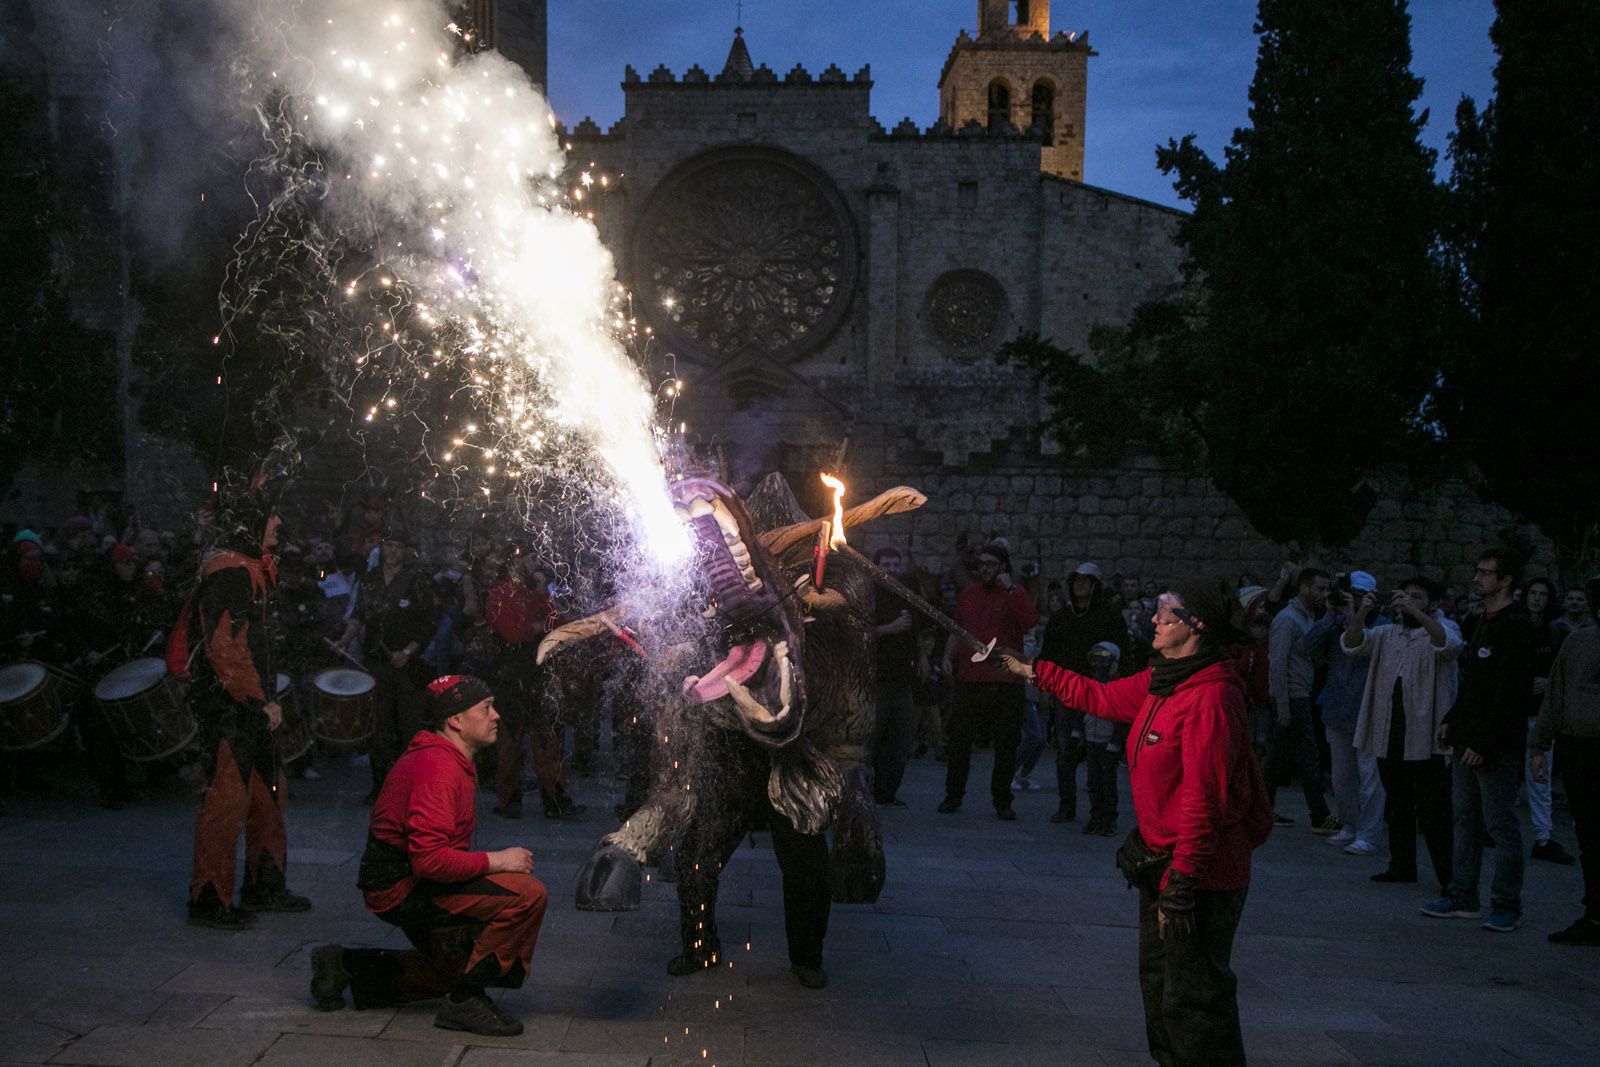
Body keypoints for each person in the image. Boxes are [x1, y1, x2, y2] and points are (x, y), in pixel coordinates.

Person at [997, 578, 1272, 1067]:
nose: (1154, 619)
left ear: (1196, 624)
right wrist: (1032, 669)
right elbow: (1101, 697)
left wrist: (1182, 885)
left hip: (1201, 876)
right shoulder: (1162, 680)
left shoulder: (1211, 698)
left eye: (1167, 611)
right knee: (1162, 994)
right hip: (1162, 866)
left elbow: (1204, 803)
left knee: (1195, 1002)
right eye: (1157, 608)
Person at [310, 675, 548, 1035]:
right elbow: (430, 860)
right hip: (401, 886)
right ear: (455, 720)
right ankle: (465, 1002)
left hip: (408, 878)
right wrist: (498, 860)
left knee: (454, 970)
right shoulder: (438, 767)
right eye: (485, 708)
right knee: (527, 895)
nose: (496, 715)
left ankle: (342, 966)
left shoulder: (446, 757)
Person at [186, 491, 312, 929]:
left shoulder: (248, 567)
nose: (277, 522)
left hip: (253, 707)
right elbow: (225, 646)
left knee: (268, 796)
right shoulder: (228, 571)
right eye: (270, 515)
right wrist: (258, 702)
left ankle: (264, 886)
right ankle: (208, 900)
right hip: (231, 710)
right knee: (226, 804)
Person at [1431, 548, 1537, 932]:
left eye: (1485, 572)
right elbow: (1473, 683)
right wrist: (1452, 720)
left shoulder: (1517, 626)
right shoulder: (1481, 621)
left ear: (1505, 580)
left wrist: (1484, 742)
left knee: (1499, 825)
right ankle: (1464, 895)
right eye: (1477, 571)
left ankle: (1506, 903)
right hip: (1467, 740)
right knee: (1465, 819)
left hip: (1495, 747)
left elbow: (1510, 693)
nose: (1476, 578)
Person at [1345, 576, 1462, 892]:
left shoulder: (1444, 628)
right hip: (1390, 732)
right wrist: (1361, 612)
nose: (1408, 601)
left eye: (1418, 597)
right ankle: (1402, 865)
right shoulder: (1387, 633)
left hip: (1427, 737)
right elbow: (1353, 644)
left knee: (1434, 810)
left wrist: (1417, 612)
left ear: (1433, 603)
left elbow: (1449, 645)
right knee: (1397, 803)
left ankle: (1449, 879)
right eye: (1406, 595)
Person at [336, 526, 440, 802]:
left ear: (405, 551)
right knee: (378, 727)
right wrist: (345, 640)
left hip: (407, 666)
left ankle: (412, 789)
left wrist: (408, 651)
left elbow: (428, 623)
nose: (391, 551)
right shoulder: (370, 579)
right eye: (387, 545)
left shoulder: (416, 580)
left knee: (409, 728)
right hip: (377, 662)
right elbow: (359, 615)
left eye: (396, 546)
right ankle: (380, 787)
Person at [938, 542, 1039, 820]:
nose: (984, 569)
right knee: (960, 742)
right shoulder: (969, 594)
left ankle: (1002, 800)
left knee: (1006, 745)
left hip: (1006, 682)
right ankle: (953, 795)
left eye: (991, 564)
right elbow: (958, 629)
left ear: (1003, 566)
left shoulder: (1015, 593)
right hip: (971, 680)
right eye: (981, 564)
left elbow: (1030, 621)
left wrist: (1012, 589)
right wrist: (948, 656)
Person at [1529, 585, 1600, 946]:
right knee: (1589, 835)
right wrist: (1538, 746)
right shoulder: (1577, 643)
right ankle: (1594, 915)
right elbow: (1555, 695)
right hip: (1580, 750)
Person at [1302, 571, 1385, 855]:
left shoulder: (1383, 626)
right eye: (1351, 595)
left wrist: (1353, 616)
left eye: (1360, 596)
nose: (1354, 600)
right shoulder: (1334, 622)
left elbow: (1357, 645)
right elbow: (1307, 646)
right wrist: (1329, 615)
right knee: (1341, 777)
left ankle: (1368, 833)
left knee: (1370, 778)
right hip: (1338, 708)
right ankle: (1349, 824)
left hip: (1369, 710)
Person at [1038, 563, 1128, 824]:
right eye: (1076, 580)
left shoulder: (1110, 617)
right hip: (1067, 693)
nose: (1080, 584)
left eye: (1086, 580)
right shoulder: (1061, 619)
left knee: (1100, 755)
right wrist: (1045, 689)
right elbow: (1048, 656)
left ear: (1095, 585)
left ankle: (1101, 813)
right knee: (1066, 750)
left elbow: (1123, 655)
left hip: (1100, 694)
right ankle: (1066, 806)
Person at [1265, 567, 1335, 832]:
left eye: (1326, 589)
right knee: (1307, 757)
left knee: (1278, 758)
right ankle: (1319, 815)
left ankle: (1263, 809)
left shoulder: (1307, 618)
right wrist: (1282, 705)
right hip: (1292, 697)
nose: (1324, 594)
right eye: (1320, 588)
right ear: (1304, 587)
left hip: (1300, 695)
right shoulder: (1287, 619)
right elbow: (1278, 663)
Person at [1521, 577, 1575, 865]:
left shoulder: (1557, 633)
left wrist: (1548, 683)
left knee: (1539, 777)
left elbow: (1567, 671)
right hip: (1512, 713)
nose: (1537, 599)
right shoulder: (1514, 626)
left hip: (1540, 715)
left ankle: (1543, 836)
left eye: (1542, 594)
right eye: (1533, 593)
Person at [870, 546, 927, 806]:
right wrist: (890, 628)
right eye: (886, 565)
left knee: (900, 742)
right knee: (874, 738)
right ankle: (867, 791)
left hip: (903, 680)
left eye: (895, 565)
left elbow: (916, 630)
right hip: (878, 680)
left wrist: (923, 657)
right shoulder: (869, 595)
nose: (891, 570)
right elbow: (861, 632)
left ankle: (887, 792)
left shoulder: (905, 593)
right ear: (877, 566)